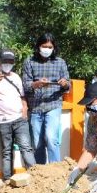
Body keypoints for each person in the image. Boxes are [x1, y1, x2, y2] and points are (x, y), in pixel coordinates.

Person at [0, 50, 36, 181]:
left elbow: (22, 96)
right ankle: (7, 180)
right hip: (3, 120)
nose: (8, 64)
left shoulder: (16, 77)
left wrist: (24, 110)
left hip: (19, 119)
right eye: (5, 61)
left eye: (10, 61)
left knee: (26, 148)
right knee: (7, 151)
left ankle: (35, 177)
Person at [22, 33, 71, 164]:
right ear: (38, 46)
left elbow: (68, 85)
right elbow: (25, 85)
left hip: (53, 105)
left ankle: (55, 171)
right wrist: (35, 84)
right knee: (37, 142)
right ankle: (41, 172)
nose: (47, 49)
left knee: (51, 138)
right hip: (35, 107)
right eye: (44, 46)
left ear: (54, 48)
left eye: (50, 47)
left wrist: (65, 84)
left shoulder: (60, 62)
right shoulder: (29, 62)